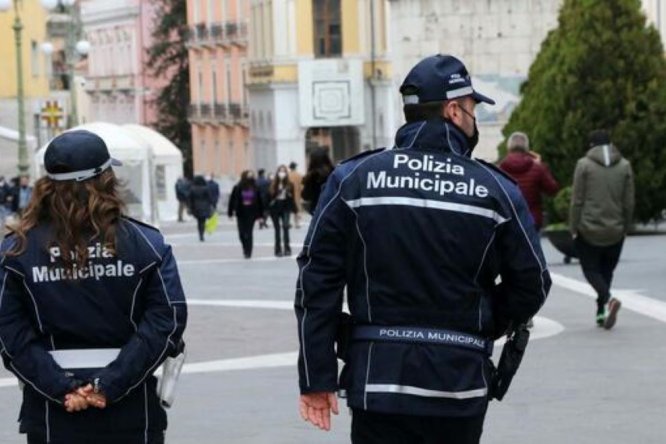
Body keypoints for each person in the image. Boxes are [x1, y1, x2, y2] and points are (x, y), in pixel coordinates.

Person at [294, 54, 551, 444]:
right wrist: (482, 323)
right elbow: (532, 282)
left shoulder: (355, 179)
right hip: (459, 383)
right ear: (453, 111)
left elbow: (317, 280)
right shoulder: (494, 190)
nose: (474, 119)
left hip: (377, 382)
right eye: (472, 108)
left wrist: (317, 377)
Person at [0, 130, 187, 444]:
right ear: (107, 179)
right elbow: (166, 321)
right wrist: (108, 384)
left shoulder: (16, 250)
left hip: (51, 409)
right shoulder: (146, 245)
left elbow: (9, 331)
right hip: (130, 406)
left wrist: (61, 386)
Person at [570, 129, 634, 329]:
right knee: (606, 272)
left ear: (591, 146)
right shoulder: (625, 166)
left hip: (589, 228)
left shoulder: (584, 165)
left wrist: (573, 226)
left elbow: (577, 199)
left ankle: (607, 299)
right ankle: (601, 311)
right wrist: (626, 225)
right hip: (616, 229)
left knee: (590, 269)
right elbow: (629, 201)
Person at [499, 131, 560, 230]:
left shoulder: (499, 169)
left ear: (509, 146)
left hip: (508, 219)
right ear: (526, 147)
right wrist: (542, 166)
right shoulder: (537, 167)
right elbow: (553, 189)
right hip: (532, 219)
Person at [228, 170, 264, 258]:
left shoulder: (256, 187)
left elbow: (260, 202)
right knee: (241, 233)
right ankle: (244, 247)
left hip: (251, 212)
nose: (250, 178)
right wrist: (230, 213)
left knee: (249, 232)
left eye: (251, 176)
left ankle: (248, 251)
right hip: (241, 212)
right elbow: (232, 200)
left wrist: (261, 215)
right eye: (248, 176)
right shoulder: (238, 187)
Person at [269, 165, 296, 257]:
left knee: (285, 228)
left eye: (284, 171)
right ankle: (278, 250)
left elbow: (292, 199)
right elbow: (269, 197)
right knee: (277, 229)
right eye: (280, 171)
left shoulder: (290, 184)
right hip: (275, 208)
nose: (282, 173)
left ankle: (287, 249)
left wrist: (295, 210)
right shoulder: (273, 184)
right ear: (277, 173)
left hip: (286, 207)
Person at [301, 147, 334, 215]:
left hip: (317, 208)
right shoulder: (334, 171)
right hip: (333, 205)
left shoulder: (312, 175)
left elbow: (305, 195)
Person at [188, 175, 214, 242]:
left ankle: (200, 234)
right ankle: (202, 234)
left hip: (196, 207)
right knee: (203, 221)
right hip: (205, 207)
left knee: (199, 221)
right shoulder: (206, 188)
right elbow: (210, 198)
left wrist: (191, 208)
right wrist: (211, 205)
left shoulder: (192, 189)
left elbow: (190, 199)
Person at [288, 161, 303, 228]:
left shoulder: (287, 175)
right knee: (296, 209)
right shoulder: (299, 175)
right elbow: (302, 186)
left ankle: (288, 222)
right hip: (297, 194)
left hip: (289, 194)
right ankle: (297, 223)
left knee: (288, 209)